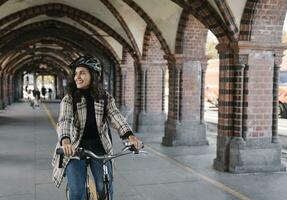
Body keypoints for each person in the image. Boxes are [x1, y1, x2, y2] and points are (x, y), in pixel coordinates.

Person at [52, 56, 143, 200]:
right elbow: (65, 120)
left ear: (93, 76)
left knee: (104, 189)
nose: (77, 77)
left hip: (99, 147)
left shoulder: (104, 97)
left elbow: (115, 116)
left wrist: (130, 136)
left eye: (82, 73)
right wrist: (65, 141)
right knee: (77, 191)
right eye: (76, 74)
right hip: (74, 147)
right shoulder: (69, 98)